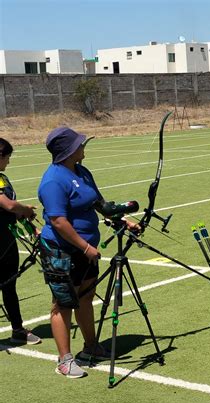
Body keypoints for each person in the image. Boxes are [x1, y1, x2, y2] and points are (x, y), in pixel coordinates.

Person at [38, 127, 139, 379]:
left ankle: (90, 346)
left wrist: (123, 219)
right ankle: (64, 360)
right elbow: (58, 221)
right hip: (62, 251)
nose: (84, 147)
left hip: (87, 251)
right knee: (63, 304)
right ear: (69, 151)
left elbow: (99, 204)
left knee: (85, 296)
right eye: (80, 144)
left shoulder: (82, 172)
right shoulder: (53, 180)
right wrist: (84, 247)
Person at [0, 138, 42, 345]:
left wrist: (32, 227)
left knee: (9, 286)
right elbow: (8, 205)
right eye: (7, 157)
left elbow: (12, 212)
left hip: (6, 242)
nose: (8, 162)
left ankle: (17, 329)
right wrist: (24, 208)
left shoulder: (2, 178)